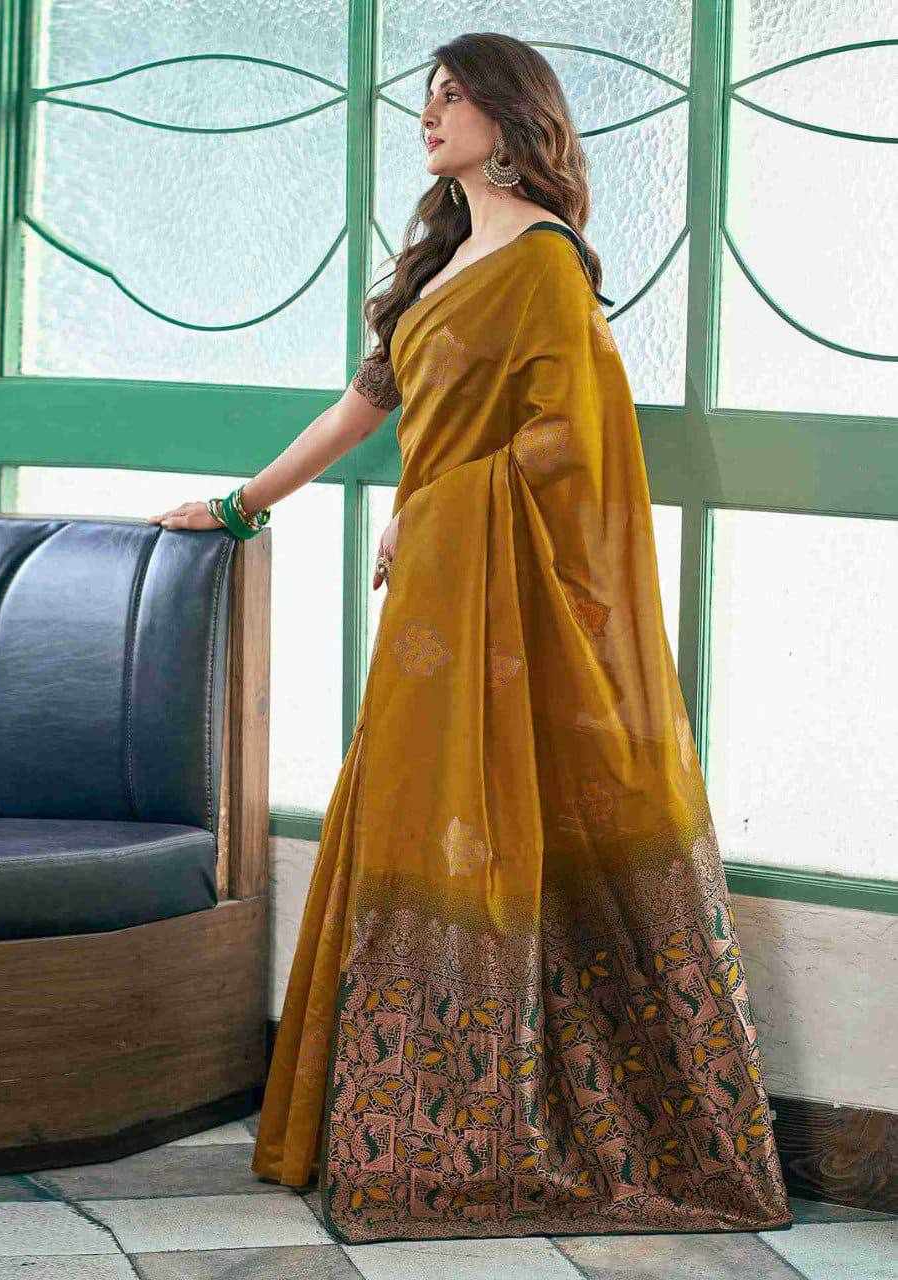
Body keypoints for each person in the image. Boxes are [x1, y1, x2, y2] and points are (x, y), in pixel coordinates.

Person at [149, 31, 793, 1248]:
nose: (429, 115)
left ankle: (511, 1131)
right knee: (408, 810)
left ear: (511, 116)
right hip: (439, 598)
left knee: (502, 827)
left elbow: (572, 438)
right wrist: (241, 503)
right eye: (426, 97)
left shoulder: (544, 262)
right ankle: (408, 1121)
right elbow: (365, 405)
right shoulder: (443, 261)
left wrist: (438, 506)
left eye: (453, 96)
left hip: (490, 591)